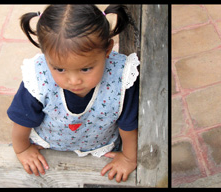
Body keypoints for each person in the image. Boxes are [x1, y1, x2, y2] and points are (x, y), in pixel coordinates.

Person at [7, 4, 139, 183]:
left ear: (107, 50)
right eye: (60, 69)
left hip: (101, 148)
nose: (74, 81)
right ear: (46, 57)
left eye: (85, 69)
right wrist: (22, 150)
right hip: (48, 145)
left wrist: (128, 158)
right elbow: (22, 120)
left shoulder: (121, 78)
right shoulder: (38, 80)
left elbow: (128, 125)